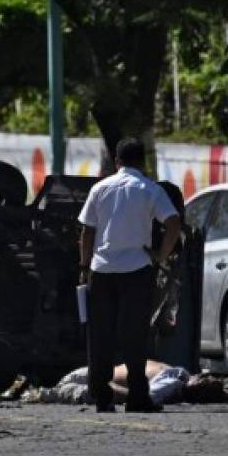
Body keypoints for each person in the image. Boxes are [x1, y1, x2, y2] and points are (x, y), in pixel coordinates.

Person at [78, 138, 181, 413]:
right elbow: (173, 222)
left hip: (101, 271)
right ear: (143, 162)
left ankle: (101, 396)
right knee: (134, 335)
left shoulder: (99, 188)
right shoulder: (150, 189)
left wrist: (84, 265)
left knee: (101, 335)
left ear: (116, 161)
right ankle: (137, 397)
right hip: (136, 269)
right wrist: (161, 254)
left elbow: (87, 231)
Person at [29, 360, 228, 406]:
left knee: (56, 393)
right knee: (58, 391)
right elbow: (216, 391)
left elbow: (147, 398)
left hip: (88, 380)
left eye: (206, 382)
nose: (208, 378)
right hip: (88, 375)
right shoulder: (179, 376)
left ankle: (41, 394)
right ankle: (41, 393)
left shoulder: (174, 380)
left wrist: (109, 390)